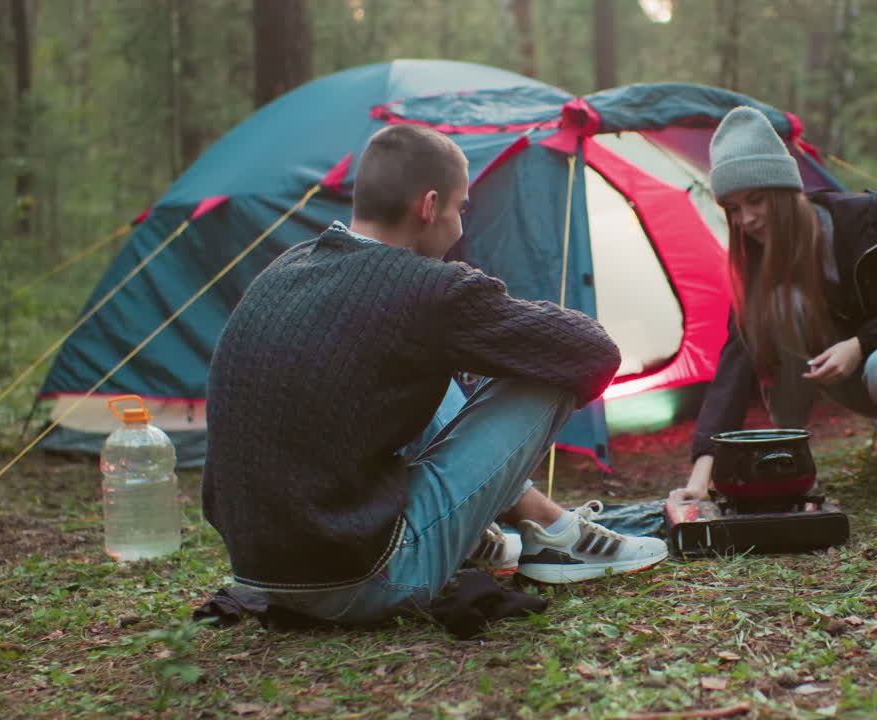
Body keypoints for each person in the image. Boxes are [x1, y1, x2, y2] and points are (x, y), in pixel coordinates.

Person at [202, 124, 667, 626]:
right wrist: (481, 307)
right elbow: (591, 351)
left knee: (424, 357)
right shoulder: (427, 291)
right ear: (428, 206)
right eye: (460, 208)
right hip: (364, 578)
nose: (461, 228)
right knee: (549, 363)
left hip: (259, 574)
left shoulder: (284, 268)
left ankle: (535, 520)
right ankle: (555, 536)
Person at [670, 106, 877, 503]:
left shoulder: (872, 223)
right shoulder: (759, 261)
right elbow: (737, 359)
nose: (746, 220)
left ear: (785, 193)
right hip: (867, 371)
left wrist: (861, 343)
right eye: (733, 209)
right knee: (776, 315)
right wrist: (702, 472)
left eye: (756, 200)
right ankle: (786, 454)